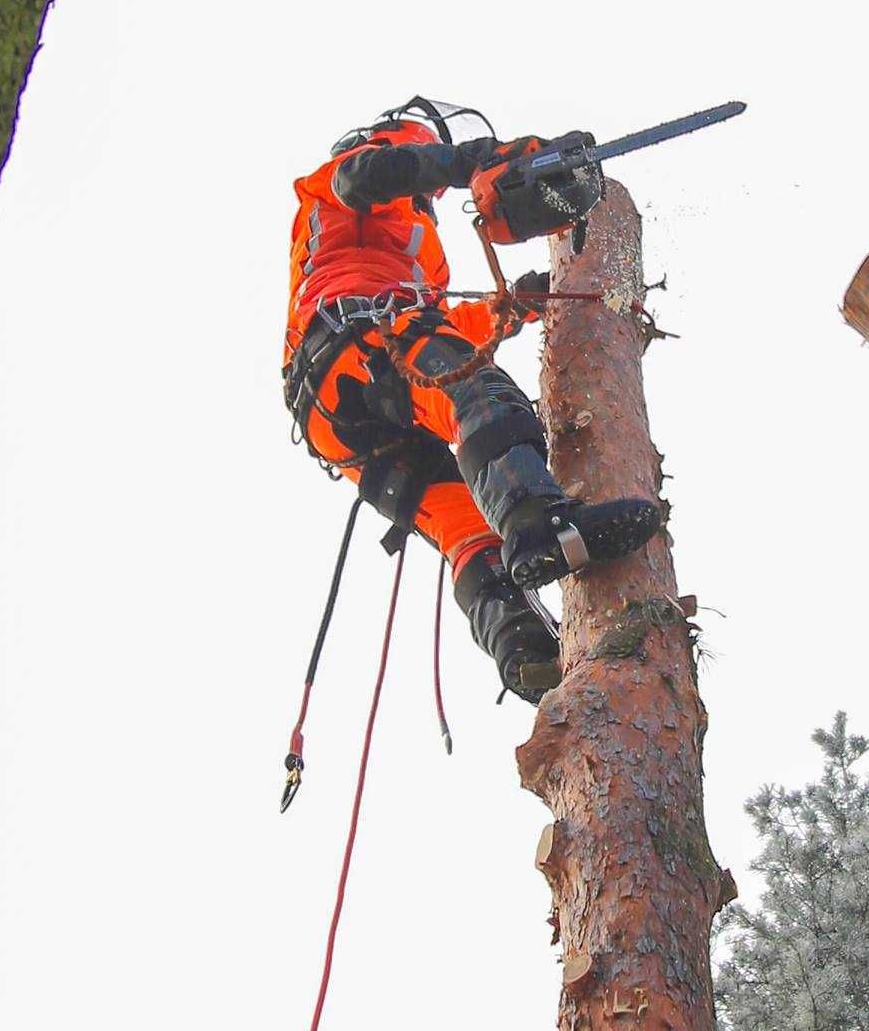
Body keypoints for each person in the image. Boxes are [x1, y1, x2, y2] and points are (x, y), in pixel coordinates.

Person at [283, 99, 662, 701]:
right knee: (477, 392)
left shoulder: (415, 247)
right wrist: (475, 161)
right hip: (356, 350)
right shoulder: (342, 182)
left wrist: (508, 308)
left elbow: (435, 317)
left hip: (342, 409)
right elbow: (373, 177)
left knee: (464, 525)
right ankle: (539, 523)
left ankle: (525, 653)